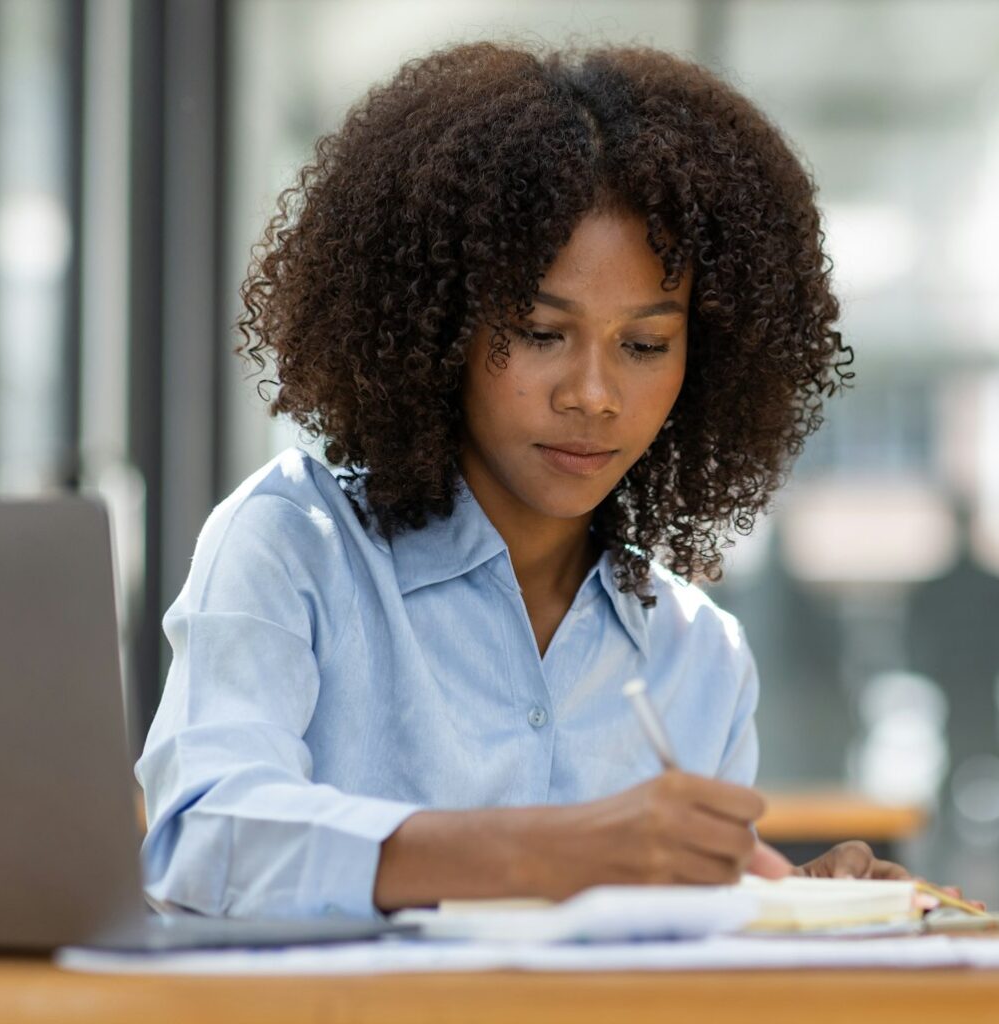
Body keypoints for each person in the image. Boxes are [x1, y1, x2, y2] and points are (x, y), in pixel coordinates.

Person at [135, 42, 914, 920]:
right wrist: (559, 853)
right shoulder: (293, 547)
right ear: (437, 326)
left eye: (646, 345)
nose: (593, 394)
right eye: (542, 332)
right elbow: (203, 841)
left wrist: (785, 906)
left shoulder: (699, 658)